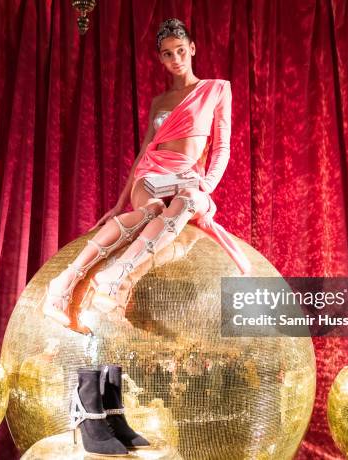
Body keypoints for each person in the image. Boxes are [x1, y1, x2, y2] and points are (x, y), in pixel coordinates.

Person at [43, 18, 251, 328]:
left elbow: (222, 147)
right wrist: (118, 203)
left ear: (192, 49)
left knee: (191, 199)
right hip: (152, 173)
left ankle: (116, 274)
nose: (175, 59)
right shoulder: (159, 102)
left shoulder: (216, 89)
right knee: (151, 210)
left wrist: (207, 184)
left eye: (181, 51)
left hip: (188, 176)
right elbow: (144, 152)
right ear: (160, 58)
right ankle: (63, 283)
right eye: (167, 54)